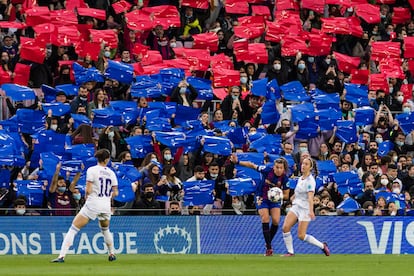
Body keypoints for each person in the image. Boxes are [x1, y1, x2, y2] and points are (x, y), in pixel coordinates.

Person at [51, 149, 119, 263]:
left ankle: (61, 256)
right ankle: (112, 254)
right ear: (107, 159)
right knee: (105, 229)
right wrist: (107, 197)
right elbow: (116, 193)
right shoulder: (111, 173)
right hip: (105, 205)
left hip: (93, 203)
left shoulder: (92, 170)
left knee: (73, 229)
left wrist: (87, 196)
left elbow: (88, 188)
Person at [231, 154, 290, 256]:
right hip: (262, 196)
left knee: (276, 220)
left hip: (274, 199)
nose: (278, 170)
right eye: (277, 167)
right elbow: (252, 165)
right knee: (265, 218)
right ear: (274, 167)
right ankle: (269, 248)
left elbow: (286, 196)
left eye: (281, 168)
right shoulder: (267, 170)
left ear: (284, 169)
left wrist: (278, 194)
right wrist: (237, 162)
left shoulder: (285, 178)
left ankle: (268, 243)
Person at [281, 157, 330, 257]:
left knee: (301, 236)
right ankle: (290, 252)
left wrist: (311, 211)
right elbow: (299, 192)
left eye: (306, 164)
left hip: (305, 209)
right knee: (285, 227)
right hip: (296, 207)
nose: (303, 166)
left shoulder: (310, 181)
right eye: (303, 163)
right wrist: (294, 196)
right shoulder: (300, 178)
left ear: (310, 167)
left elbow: (310, 197)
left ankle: (322, 246)